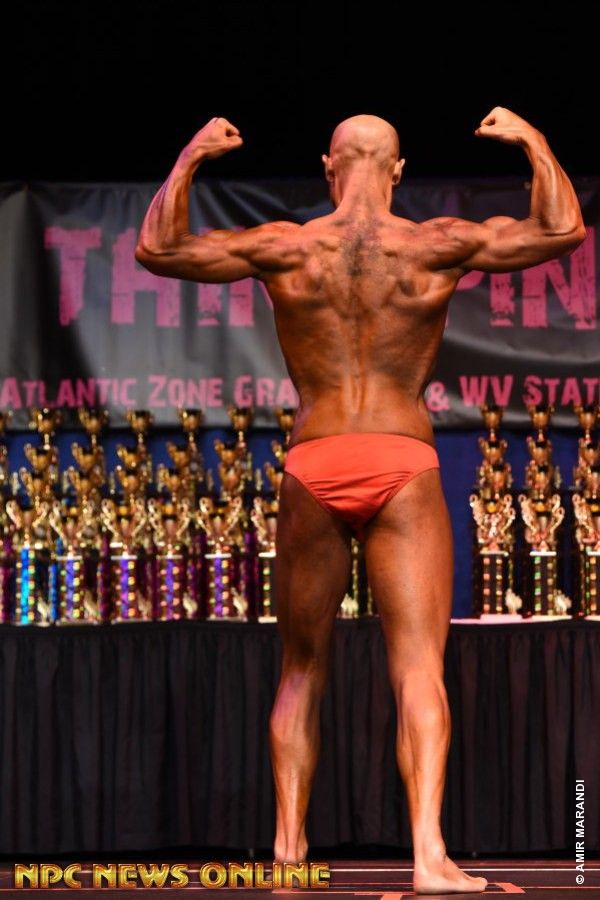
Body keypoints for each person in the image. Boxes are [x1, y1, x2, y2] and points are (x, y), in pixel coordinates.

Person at [135, 108, 585, 894]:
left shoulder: (289, 246)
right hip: (400, 458)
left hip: (315, 459)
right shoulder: (433, 243)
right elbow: (562, 231)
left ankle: (287, 857)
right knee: (417, 669)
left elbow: (157, 248)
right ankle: (428, 858)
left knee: (301, 670)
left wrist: (191, 157)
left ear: (328, 167)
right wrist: (532, 141)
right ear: (399, 170)